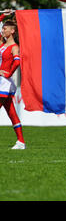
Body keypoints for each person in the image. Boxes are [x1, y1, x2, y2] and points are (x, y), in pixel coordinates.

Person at [0, 11, 25, 150]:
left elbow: (17, 61)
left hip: (4, 83)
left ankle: (21, 142)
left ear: (12, 31)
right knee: (12, 114)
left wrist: (9, 73)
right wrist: (3, 14)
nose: (3, 30)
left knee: (12, 113)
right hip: (2, 81)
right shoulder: (2, 44)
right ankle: (21, 142)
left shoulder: (14, 47)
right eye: (2, 28)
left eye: (5, 28)